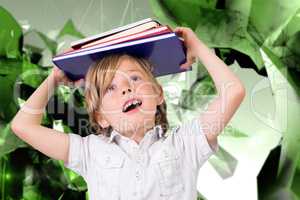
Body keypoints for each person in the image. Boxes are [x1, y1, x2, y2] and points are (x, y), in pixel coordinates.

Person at [11, 27, 245, 200]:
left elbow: (233, 92)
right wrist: (54, 79)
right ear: (100, 116)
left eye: (134, 78)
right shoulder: (89, 152)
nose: (126, 88)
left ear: (158, 94)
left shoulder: (185, 144)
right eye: (110, 88)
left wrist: (197, 47)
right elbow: (23, 126)